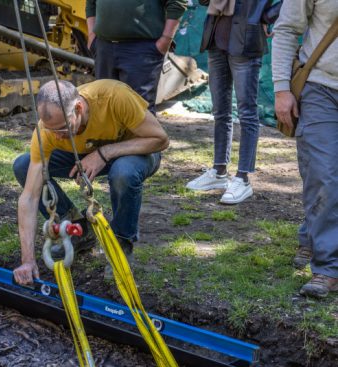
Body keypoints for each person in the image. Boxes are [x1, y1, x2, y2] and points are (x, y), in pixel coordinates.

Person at [13, 79, 169, 285]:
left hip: (137, 151)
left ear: (78, 108)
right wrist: (27, 260)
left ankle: (121, 244)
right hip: (85, 154)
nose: (58, 137)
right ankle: (79, 229)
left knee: (123, 173)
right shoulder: (47, 131)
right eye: (52, 131)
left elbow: (160, 139)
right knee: (23, 165)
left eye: (63, 129)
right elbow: (30, 198)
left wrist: (104, 153)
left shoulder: (114, 97)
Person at [273, 0, 338, 298]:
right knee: (322, 174)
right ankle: (327, 268)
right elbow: (286, 29)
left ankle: (312, 236)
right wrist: (282, 89)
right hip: (321, 87)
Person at [186, 0, 278, 205]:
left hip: (246, 42)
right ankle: (219, 172)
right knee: (220, 111)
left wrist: (265, 17)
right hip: (215, 40)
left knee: (247, 113)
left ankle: (243, 178)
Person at [86, 0, 187, 112]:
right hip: (104, 46)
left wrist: (166, 39)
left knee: (139, 110)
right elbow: (91, 2)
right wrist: (91, 35)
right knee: (105, 107)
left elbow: (177, 3)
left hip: (141, 49)